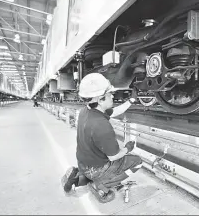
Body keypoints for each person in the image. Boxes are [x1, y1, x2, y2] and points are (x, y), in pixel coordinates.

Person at [61, 73, 142, 203]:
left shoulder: (86, 111)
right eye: (109, 93)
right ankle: (102, 186)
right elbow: (114, 157)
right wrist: (127, 148)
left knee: (91, 171)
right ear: (100, 99)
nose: (113, 95)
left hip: (83, 164)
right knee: (137, 162)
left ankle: (76, 179)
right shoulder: (102, 126)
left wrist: (131, 101)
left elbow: (114, 112)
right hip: (96, 170)